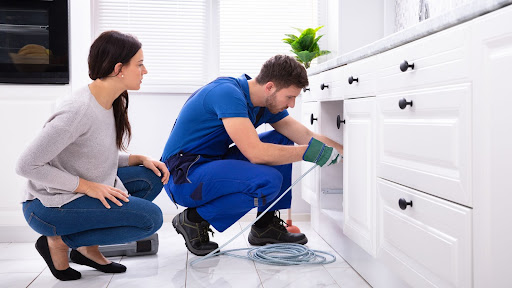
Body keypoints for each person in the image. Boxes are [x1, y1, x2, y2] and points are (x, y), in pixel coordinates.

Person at [15, 30, 169, 281]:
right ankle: (59, 242)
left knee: (149, 177)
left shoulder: (109, 101)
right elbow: (26, 165)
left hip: (74, 193)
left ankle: (88, 250)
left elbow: (92, 155)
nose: (145, 71)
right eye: (139, 64)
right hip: (47, 206)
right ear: (119, 69)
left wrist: (138, 159)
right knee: (150, 220)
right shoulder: (78, 111)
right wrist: (88, 187)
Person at [161, 54, 342, 256]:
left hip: (211, 165)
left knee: (280, 138)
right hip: (183, 176)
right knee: (268, 180)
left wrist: (348, 153)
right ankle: (194, 219)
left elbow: (306, 136)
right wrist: (309, 153)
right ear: (270, 87)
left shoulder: (264, 104)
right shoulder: (226, 93)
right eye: (290, 97)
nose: (292, 104)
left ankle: (265, 225)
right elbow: (256, 153)